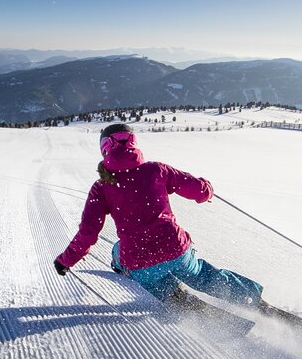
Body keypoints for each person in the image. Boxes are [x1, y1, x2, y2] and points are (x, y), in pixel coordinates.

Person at [54, 123, 264, 310]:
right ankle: (252, 299)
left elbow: (87, 234)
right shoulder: (156, 170)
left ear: (105, 150)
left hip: (140, 262)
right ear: (133, 143)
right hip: (176, 251)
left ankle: (190, 308)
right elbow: (199, 190)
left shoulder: (101, 187)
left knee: (119, 252)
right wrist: (207, 188)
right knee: (204, 276)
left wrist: (66, 261)